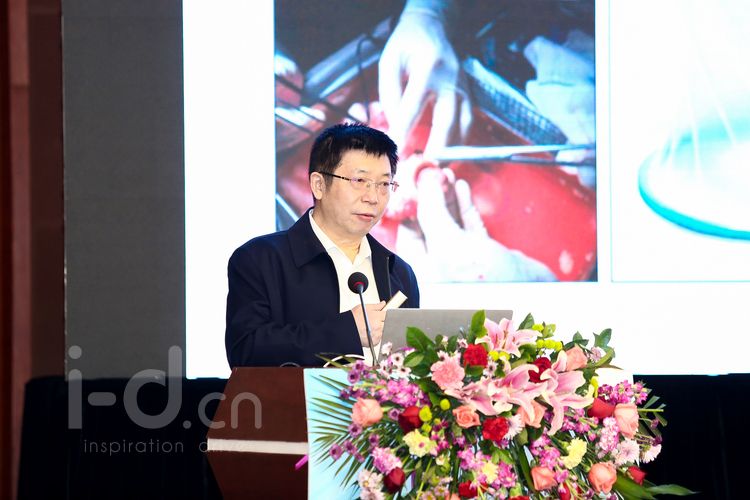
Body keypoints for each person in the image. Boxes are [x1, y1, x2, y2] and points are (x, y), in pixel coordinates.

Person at [226, 123, 420, 367]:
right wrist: (349, 331)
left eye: (384, 184)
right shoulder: (261, 259)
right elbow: (245, 351)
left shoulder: (399, 272)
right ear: (319, 185)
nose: (372, 197)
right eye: (359, 180)